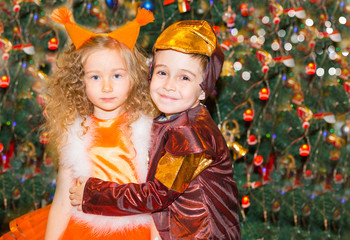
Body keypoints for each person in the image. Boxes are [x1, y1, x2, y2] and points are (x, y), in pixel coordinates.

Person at [70, 20, 241, 240]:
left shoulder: (191, 134)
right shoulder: (175, 119)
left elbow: (157, 195)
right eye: (162, 73)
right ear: (151, 73)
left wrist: (94, 193)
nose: (169, 85)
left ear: (202, 90)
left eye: (184, 77)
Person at [1, 7, 159, 240]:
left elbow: (157, 199)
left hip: (137, 230)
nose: (106, 87)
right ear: (80, 81)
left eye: (117, 75)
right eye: (95, 77)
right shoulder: (75, 133)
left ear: (134, 77)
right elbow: (63, 201)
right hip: (83, 228)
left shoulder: (148, 130)